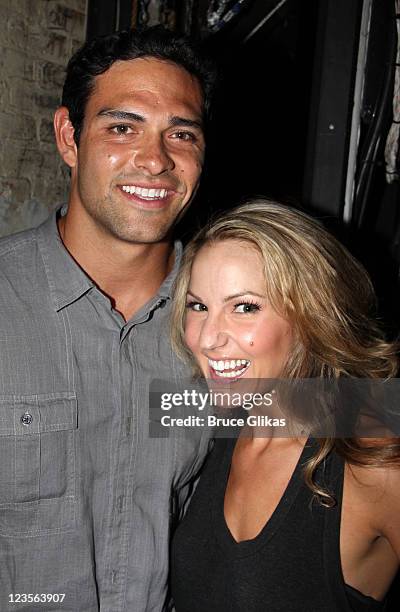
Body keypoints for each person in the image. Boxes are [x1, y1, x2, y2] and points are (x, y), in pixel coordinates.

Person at [0, 27, 216, 611]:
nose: (155, 160)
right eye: (123, 127)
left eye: (181, 133)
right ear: (69, 137)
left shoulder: (236, 318)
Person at [169, 199, 400, 611]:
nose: (208, 338)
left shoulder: (372, 455)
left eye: (244, 307)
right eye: (198, 306)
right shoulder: (221, 428)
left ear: (311, 315)